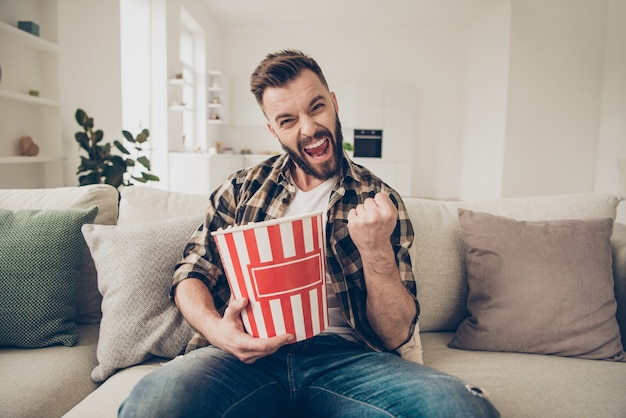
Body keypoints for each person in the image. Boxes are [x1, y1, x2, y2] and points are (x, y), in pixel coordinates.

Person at [118, 49, 499, 418]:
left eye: (316, 107)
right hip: (244, 358)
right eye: (287, 120)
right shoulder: (240, 189)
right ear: (273, 129)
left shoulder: (377, 199)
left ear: (333, 103)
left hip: (346, 362)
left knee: (463, 408)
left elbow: (395, 333)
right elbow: (191, 273)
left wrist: (376, 251)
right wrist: (218, 331)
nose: (309, 128)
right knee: (153, 403)